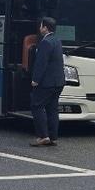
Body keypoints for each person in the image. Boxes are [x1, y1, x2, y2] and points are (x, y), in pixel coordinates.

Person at [29, 16, 65, 147]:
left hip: (47, 82)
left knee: (36, 106)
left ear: (45, 28)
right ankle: (53, 137)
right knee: (52, 109)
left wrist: (35, 80)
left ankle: (43, 136)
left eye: (41, 26)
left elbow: (41, 63)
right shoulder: (57, 40)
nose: (40, 28)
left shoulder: (45, 42)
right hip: (58, 82)